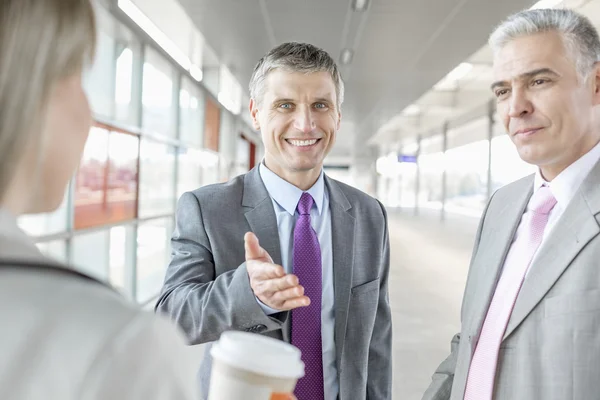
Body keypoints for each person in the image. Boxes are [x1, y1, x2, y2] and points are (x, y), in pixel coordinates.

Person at [155, 42, 392, 400]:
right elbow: (172, 316)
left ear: (338, 116)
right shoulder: (208, 209)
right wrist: (248, 293)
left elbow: (376, 341)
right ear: (255, 112)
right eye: (285, 105)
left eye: (320, 105)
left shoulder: (368, 214)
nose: (305, 123)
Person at [0, 1, 199, 398]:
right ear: (26, 84)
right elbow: (179, 305)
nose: (89, 114)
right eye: (77, 75)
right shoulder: (117, 345)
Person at [423, 8, 600, 400]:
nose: (515, 107)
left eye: (538, 81)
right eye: (502, 90)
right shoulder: (503, 206)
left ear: (596, 84)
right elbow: (473, 338)